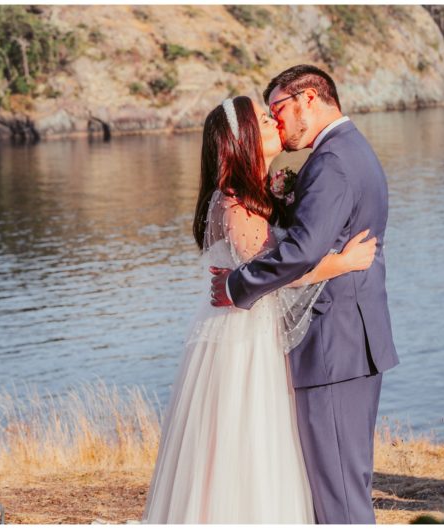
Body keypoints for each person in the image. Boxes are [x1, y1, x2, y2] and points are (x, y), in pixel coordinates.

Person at [143, 95, 378, 523]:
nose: (274, 123)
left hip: (249, 331)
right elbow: (278, 271)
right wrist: (343, 262)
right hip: (242, 342)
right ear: (244, 139)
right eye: (264, 120)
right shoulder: (235, 203)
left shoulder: (252, 198)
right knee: (246, 442)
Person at [210, 65, 400, 524]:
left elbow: (300, 252)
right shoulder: (349, 148)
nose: (276, 121)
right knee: (340, 486)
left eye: (278, 108)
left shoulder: (332, 161)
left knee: (338, 499)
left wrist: (237, 286)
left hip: (334, 345)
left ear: (308, 99)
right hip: (350, 341)